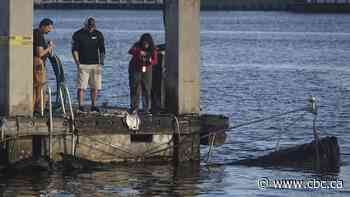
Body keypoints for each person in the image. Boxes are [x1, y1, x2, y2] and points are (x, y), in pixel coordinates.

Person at [72, 17, 105, 112]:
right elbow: (74, 50)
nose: (91, 28)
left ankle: (93, 105)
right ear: (85, 25)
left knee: (95, 86)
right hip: (83, 64)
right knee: (81, 86)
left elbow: (102, 49)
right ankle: (81, 106)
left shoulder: (98, 34)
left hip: (96, 64)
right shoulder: (78, 34)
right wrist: (77, 63)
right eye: (89, 26)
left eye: (93, 26)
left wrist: (101, 62)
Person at [128, 33, 158, 114]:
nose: (145, 45)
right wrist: (139, 53)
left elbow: (155, 61)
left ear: (150, 43)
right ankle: (134, 107)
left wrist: (150, 60)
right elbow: (130, 51)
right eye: (144, 43)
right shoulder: (137, 45)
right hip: (135, 68)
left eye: (147, 43)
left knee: (146, 88)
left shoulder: (153, 49)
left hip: (147, 69)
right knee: (135, 88)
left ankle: (146, 108)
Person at [33, 18, 55, 115]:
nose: (50, 30)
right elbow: (40, 53)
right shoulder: (38, 35)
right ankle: (39, 108)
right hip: (38, 63)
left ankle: (36, 107)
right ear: (43, 26)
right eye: (49, 28)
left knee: (36, 85)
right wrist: (50, 48)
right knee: (40, 85)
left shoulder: (36, 33)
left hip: (35, 63)